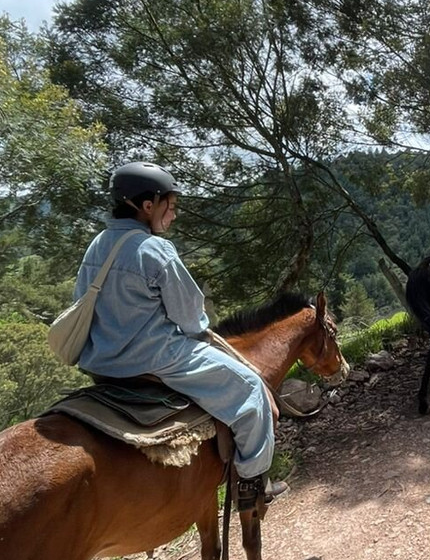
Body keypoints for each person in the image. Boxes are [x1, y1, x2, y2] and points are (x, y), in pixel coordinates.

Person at [73, 161, 286, 510]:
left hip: (101, 362)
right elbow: (190, 319)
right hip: (157, 358)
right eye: (169, 207)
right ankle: (251, 486)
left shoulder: (97, 246)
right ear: (147, 206)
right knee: (251, 391)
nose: (172, 216)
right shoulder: (156, 251)